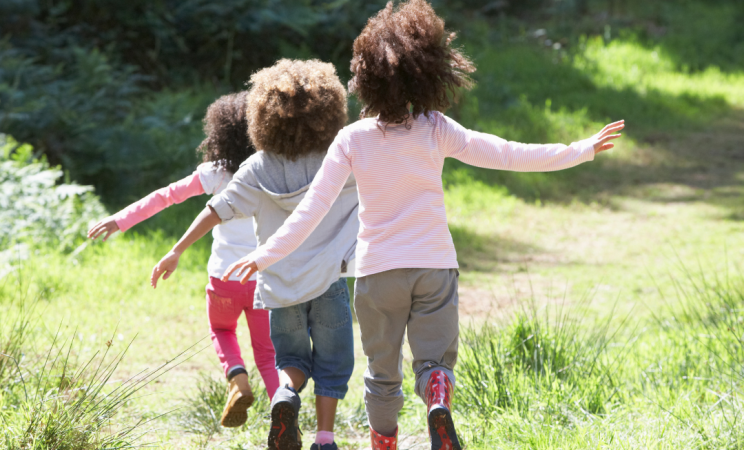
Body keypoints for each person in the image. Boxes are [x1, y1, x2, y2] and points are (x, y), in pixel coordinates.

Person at [222, 1, 625, 449]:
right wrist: (579, 149)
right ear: (429, 71)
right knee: (434, 362)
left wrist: (265, 254)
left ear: (365, 77)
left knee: (382, 377)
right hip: (434, 267)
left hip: (377, 275)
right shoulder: (436, 128)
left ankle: (386, 444)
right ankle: (436, 395)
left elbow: (310, 210)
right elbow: (508, 152)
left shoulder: (351, 140)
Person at [150, 59, 357, 450]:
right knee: (333, 363)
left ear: (263, 116)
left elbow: (216, 209)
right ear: (328, 111)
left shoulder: (256, 168)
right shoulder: (339, 159)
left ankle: (284, 396)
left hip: (278, 286)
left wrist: (177, 250)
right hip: (329, 281)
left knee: (291, 361)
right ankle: (325, 439)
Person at [87, 92, 279, 428]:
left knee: (221, 328)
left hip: (224, 278)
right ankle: (283, 415)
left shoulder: (217, 173)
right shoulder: (273, 170)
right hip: (264, 278)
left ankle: (237, 379)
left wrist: (121, 219)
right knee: (267, 353)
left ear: (221, 133)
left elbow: (166, 196)